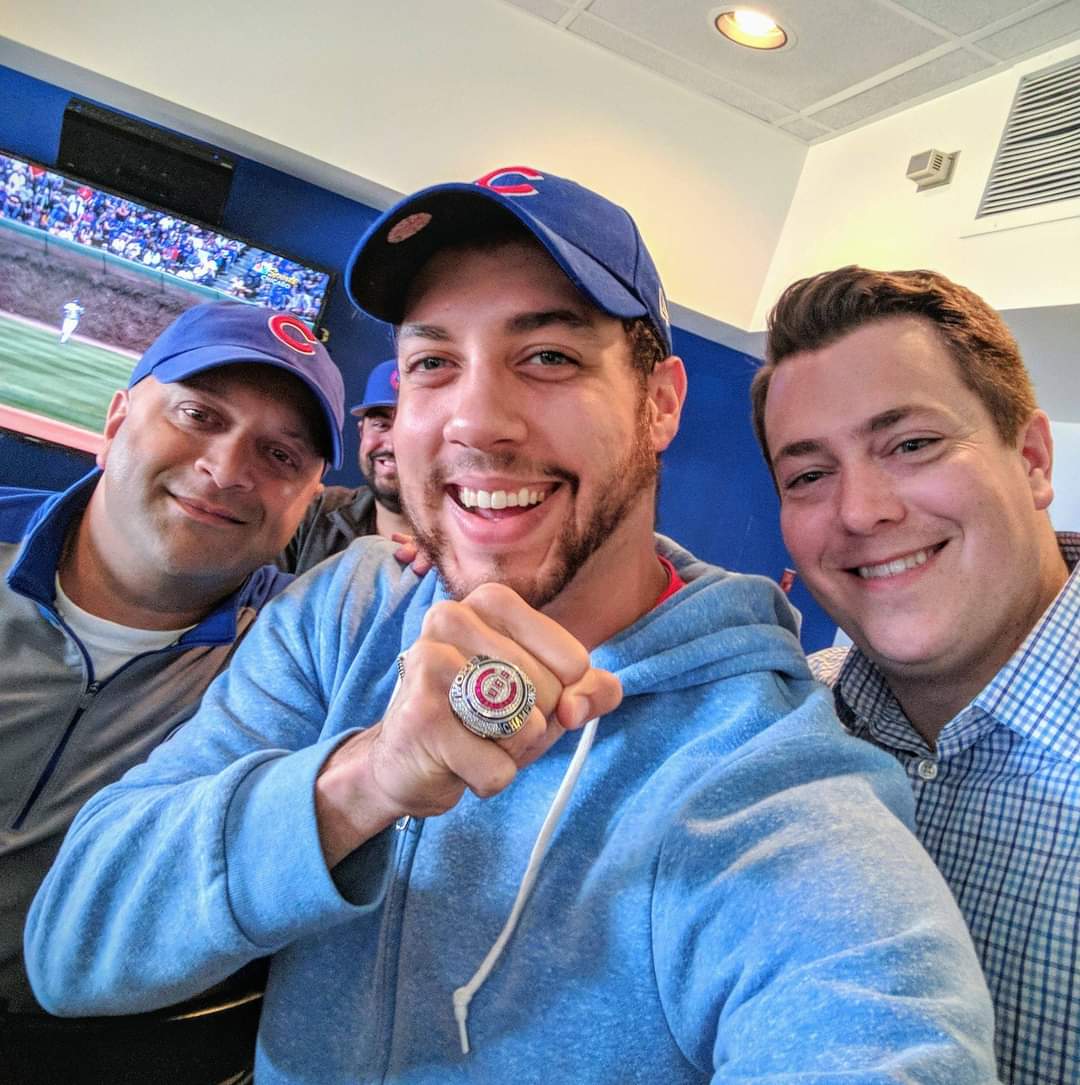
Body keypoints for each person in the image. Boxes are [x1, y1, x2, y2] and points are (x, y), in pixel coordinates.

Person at [27, 171, 997, 1084]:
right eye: (433, 363)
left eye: (547, 357)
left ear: (659, 404)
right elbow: (73, 945)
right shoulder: (347, 610)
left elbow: (879, 1020)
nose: (476, 420)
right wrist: (362, 778)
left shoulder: (757, 768)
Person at [1, 300, 345, 1084]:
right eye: (198, 414)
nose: (227, 468)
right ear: (117, 417)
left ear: (311, 499)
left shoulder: (302, 661)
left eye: (281, 454)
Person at [751, 265, 1077, 1085]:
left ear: (1033, 459)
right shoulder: (773, 725)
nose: (862, 511)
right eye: (809, 475)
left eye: (912, 444)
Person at [278, 358, 410, 574]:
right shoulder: (313, 512)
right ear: (361, 432)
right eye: (381, 425)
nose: (392, 443)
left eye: (410, 428)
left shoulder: (469, 543)